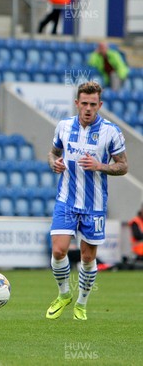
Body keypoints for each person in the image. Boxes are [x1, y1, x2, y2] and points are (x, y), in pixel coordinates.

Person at [47, 81, 128, 321]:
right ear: (77, 103)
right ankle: (63, 295)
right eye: (84, 103)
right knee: (59, 251)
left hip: (94, 205)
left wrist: (100, 166)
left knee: (88, 257)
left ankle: (81, 302)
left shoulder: (111, 132)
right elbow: (53, 154)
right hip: (66, 200)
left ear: (100, 105)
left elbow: (123, 166)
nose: (88, 108)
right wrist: (54, 164)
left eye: (93, 104)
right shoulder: (63, 127)